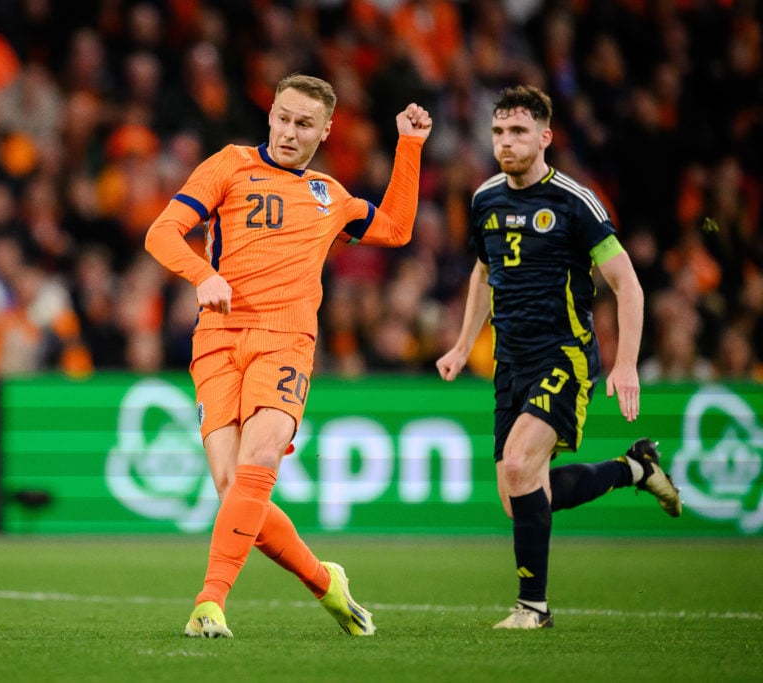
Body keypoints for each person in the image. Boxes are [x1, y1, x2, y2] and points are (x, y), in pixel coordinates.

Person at [145, 73, 433, 638]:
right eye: (282, 117)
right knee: (232, 492)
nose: (288, 132)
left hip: (286, 341)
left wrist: (409, 146)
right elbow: (162, 232)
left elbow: (397, 229)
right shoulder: (227, 164)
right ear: (270, 114)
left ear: (325, 131)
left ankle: (210, 602)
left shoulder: (330, 196)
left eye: (304, 124)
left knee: (258, 465)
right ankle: (326, 582)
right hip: (217, 339)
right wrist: (202, 275)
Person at [435, 85, 681, 630]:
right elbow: (482, 274)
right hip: (510, 364)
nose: (505, 141)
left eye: (518, 131)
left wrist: (625, 362)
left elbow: (628, 286)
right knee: (520, 496)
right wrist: (459, 343)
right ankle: (634, 469)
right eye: (498, 131)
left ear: (545, 137)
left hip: (564, 357)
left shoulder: (574, 201)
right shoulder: (484, 199)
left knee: (522, 467)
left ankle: (533, 609)